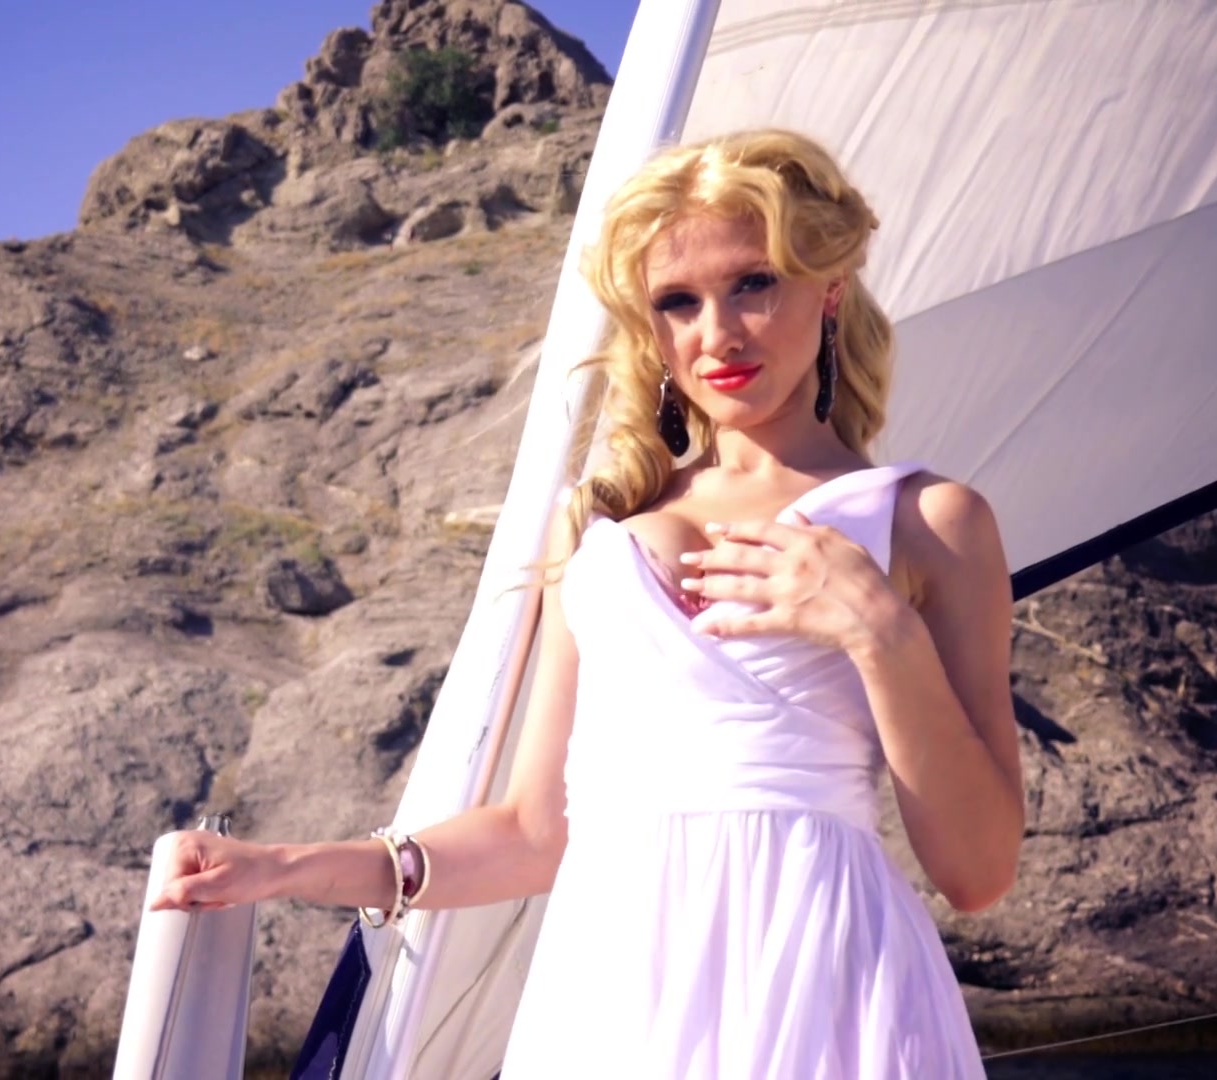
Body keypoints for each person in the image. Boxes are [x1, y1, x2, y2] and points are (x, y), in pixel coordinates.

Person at [151, 129, 1023, 1078]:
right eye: (678, 301)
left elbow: (977, 872)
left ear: (831, 288)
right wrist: (285, 868)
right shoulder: (595, 531)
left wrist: (880, 630)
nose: (718, 334)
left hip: (828, 987)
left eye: (755, 283)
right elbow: (534, 834)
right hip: (612, 999)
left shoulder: (931, 523)